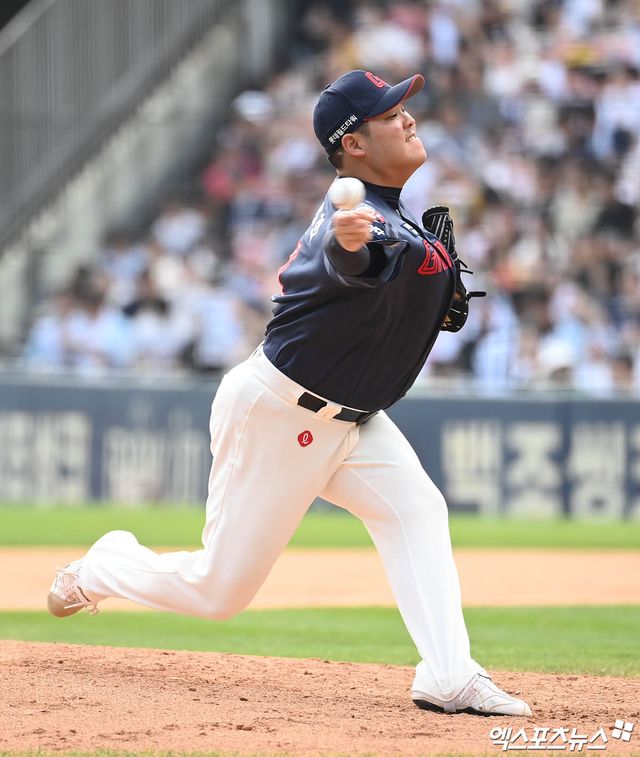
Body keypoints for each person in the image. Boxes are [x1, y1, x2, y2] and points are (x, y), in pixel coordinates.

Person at [48, 70, 532, 718]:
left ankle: (448, 675)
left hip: (355, 422)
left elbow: (401, 279)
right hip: (280, 415)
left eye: (403, 109)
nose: (408, 118)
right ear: (353, 143)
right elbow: (349, 254)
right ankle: (105, 565)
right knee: (219, 592)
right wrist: (354, 247)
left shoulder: (397, 220)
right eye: (391, 115)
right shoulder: (353, 217)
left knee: (417, 510)